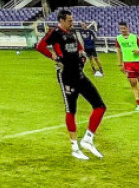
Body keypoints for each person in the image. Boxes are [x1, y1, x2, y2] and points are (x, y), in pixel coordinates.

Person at [36, 10, 107, 161]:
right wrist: (52, 56)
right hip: (66, 76)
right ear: (61, 20)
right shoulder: (54, 32)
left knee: (100, 106)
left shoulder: (72, 32)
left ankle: (87, 140)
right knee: (71, 110)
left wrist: (82, 56)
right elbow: (40, 46)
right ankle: (75, 147)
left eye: (72, 20)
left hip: (80, 75)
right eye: (69, 20)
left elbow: (79, 47)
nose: (72, 22)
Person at [116, 21, 139, 111]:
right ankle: (138, 104)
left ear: (127, 28)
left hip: (138, 62)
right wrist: (119, 64)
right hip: (127, 63)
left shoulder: (134, 37)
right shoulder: (118, 38)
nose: (122, 30)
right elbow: (118, 51)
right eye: (121, 28)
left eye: (124, 28)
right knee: (133, 83)